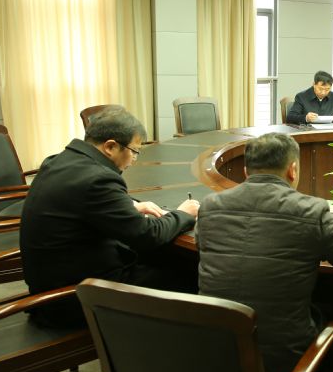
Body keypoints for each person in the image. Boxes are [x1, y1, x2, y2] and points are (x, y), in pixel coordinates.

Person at [196, 132, 333, 372]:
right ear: (293, 170)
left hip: (213, 361)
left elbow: (203, 242)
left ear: (246, 171)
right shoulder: (311, 211)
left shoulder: (210, 206)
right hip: (284, 371)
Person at [20, 107, 200, 328]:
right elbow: (148, 235)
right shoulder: (98, 179)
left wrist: (130, 205)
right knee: (191, 273)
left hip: (52, 285)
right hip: (76, 298)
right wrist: (184, 213)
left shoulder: (60, 160)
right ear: (111, 146)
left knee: (164, 257)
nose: (134, 159)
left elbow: (84, 204)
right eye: (134, 151)